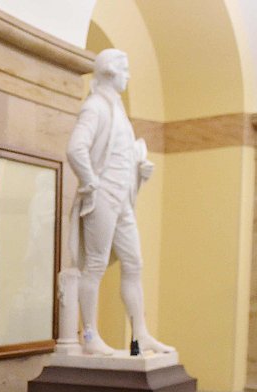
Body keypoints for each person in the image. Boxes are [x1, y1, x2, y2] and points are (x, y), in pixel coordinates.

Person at [65, 49, 172, 356]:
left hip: (122, 199)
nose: (128, 76)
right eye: (124, 70)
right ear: (110, 72)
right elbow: (76, 149)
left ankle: (141, 334)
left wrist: (140, 170)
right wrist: (90, 183)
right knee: (95, 265)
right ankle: (89, 335)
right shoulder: (95, 107)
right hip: (103, 195)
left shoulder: (116, 110)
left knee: (134, 262)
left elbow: (121, 155)